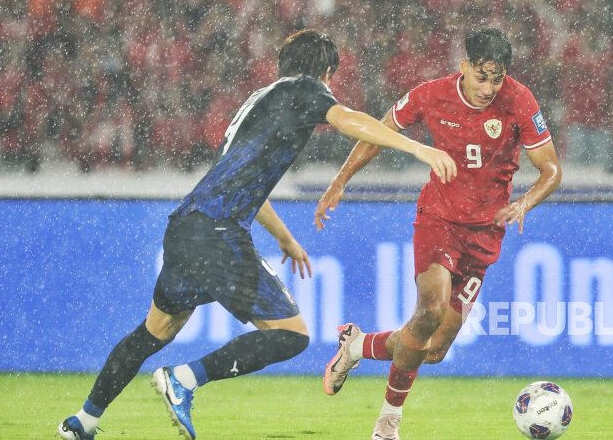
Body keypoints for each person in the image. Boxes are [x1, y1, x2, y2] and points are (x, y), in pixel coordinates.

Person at [56, 29, 457, 440]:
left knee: (154, 331)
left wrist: (284, 237)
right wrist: (418, 149)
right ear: (327, 73)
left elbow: (242, 183)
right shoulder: (305, 89)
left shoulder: (258, 103)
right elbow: (350, 121)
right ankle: (184, 379)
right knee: (290, 335)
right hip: (218, 231)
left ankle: (81, 423)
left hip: (186, 227)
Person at [314, 28, 562, 440]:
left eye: (496, 79)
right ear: (464, 66)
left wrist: (524, 203)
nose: (488, 88)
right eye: (481, 76)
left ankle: (356, 346)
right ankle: (388, 424)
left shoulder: (519, 100)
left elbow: (551, 170)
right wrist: (340, 180)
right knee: (428, 312)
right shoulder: (431, 94)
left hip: (485, 235)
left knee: (432, 349)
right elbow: (378, 133)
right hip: (439, 219)